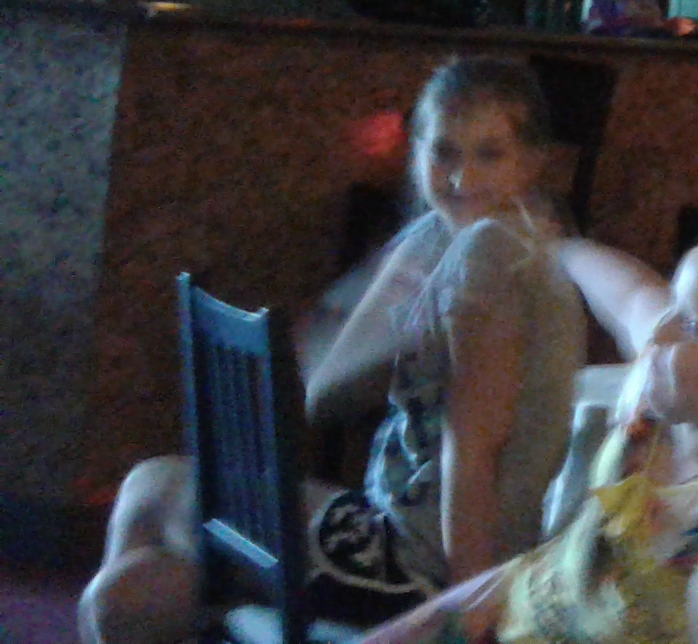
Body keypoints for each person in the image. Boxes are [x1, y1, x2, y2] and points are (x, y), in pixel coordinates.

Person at [81, 56, 588, 644]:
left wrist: (464, 616)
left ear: (531, 163)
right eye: (444, 153)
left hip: (428, 564)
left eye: (489, 155)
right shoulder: (442, 237)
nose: (460, 178)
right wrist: (390, 301)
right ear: (416, 154)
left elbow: (471, 457)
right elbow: (322, 392)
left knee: (141, 536)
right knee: (138, 538)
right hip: (397, 524)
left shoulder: (494, 255)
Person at [351, 223, 698, 644]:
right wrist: (557, 246)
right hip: (523, 596)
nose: (662, 333)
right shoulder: (672, 391)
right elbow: (631, 295)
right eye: (674, 304)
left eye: (690, 326)